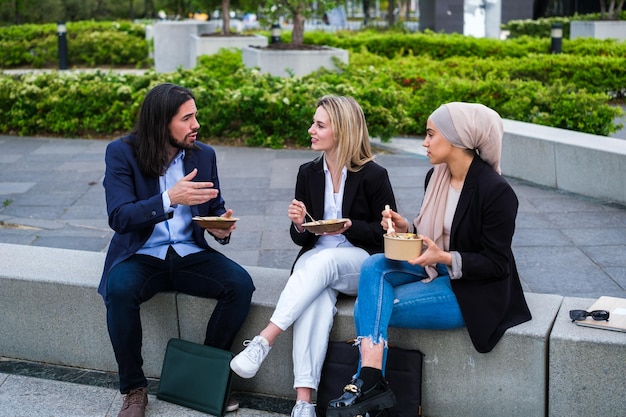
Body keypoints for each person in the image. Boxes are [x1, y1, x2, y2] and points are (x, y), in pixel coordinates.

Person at [325, 102, 532, 417]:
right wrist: (406, 227)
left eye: (431, 134)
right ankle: (371, 383)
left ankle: (366, 386)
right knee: (374, 265)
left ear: (456, 139)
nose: (424, 142)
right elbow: (430, 234)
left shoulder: (496, 191)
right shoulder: (435, 177)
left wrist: (446, 257)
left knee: (376, 306)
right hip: (434, 267)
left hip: (471, 290)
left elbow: (496, 264)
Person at [229, 95, 397, 417]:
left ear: (343, 130)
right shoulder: (308, 172)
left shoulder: (374, 175)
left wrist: (350, 226)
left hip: (358, 261)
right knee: (314, 303)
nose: (311, 130)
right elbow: (301, 238)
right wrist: (299, 223)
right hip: (316, 260)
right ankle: (304, 403)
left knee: (325, 262)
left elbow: (387, 231)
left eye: (319, 125)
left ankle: (265, 339)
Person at [99, 83, 255, 417]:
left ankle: (207, 376)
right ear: (162, 123)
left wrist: (219, 228)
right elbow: (119, 216)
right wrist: (170, 198)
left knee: (240, 285)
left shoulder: (204, 155)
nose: (195, 124)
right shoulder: (122, 152)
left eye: (195, 115)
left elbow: (214, 208)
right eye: (186, 118)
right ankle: (134, 389)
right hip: (141, 254)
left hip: (188, 252)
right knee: (120, 289)